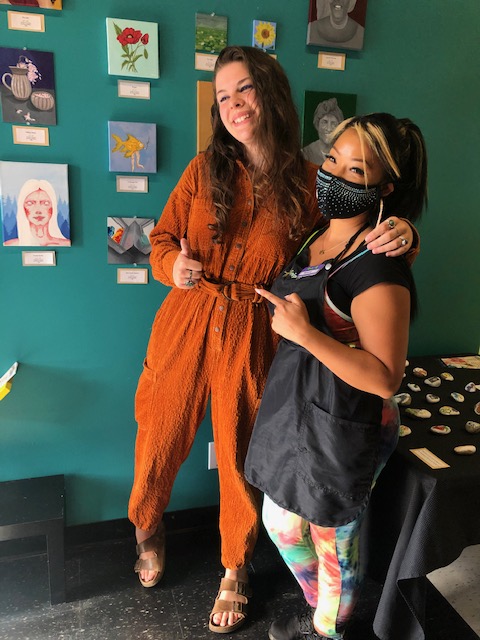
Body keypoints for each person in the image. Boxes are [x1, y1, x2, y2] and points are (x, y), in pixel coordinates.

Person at [127, 46, 416, 635]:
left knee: (240, 448)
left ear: (272, 94)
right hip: (187, 316)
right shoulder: (201, 171)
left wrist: (406, 231)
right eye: (223, 95)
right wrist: (170, 266)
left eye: (245, 89)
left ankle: (235, 565)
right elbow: (161, 238)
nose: (233, 104)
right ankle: (146, 527)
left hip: (257, 327)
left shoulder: (312, 183)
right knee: (159, 430)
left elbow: (353, 242)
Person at [244, 112, 428, 640]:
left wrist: (306, 335)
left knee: (332, 538)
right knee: (281, 523)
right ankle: (321, 604)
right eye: (332, 159)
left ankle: (327, 629)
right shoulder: (316, 234)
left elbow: (386, 378)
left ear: (384, 189)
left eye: (356, 171)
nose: (333, 176)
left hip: (349, 415)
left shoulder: (380, 264)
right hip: (298, 403)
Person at [4, 178, 70, 247]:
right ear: (22, 207)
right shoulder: (10, 245)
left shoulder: (65, 244)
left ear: (53, 207)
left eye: (45, 203)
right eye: (30, 203)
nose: (38, 210)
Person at [302, 97, 344, 166]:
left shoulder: (344, 154)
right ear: (317, 125)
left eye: (333, 123)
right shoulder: (306, 153)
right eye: (325, 122)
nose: (329, 128)